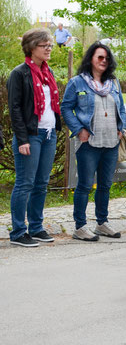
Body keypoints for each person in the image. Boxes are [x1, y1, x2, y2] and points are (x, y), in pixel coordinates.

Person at [61, 43, 126, 241]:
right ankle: (80, 227)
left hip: (111, 143)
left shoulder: (113, 84)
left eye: (107, 58)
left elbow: (122, 109)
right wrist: (79, 129)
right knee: (84, 185)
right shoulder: (77, 83)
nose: (104, 61)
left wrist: (122, 128)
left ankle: (101, 223)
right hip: (88, 143)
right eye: (100, 57)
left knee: (106, 185)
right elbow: (66, 108)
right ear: (91, 58)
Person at [7, 28, 61, 247]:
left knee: (41, 184)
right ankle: (19, 232)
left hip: (48, 134)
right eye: (44, 45)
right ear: (31, 47)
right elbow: (15, 108)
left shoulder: (48, 73)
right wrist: (23, 139)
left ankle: (36, 228)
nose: (49, 48)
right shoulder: (19, 73)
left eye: (50, 44)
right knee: (25, 183)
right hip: (31, 135)